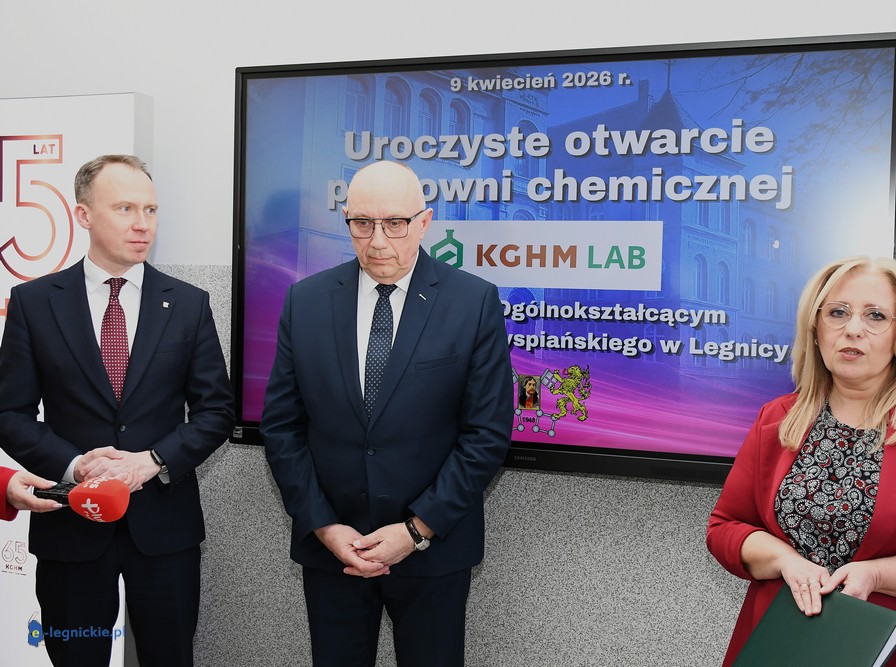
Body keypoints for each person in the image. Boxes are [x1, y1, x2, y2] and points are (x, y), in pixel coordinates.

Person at [262, 160, 512, 667]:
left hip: (433, 553)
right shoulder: (306, 301)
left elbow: (486, 435)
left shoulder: (472, 302)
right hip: (335, 551)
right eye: (362, 223)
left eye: (395, 223)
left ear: (424, 222)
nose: (377, 241)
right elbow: (282, 427)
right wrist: (324, 527)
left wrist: (415, 531)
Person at [707, 256, 896, 666]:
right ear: (815, 329)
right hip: (787, 646)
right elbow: (726, 527)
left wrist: (878, 575)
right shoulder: (778, 419)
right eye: (837, 313)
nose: (853, 329)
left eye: (875, 315)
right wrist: (785, 561)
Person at [0, 155, 235, 667]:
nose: (142, 223)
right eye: (125, 208)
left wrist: (151, 461)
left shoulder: (188, 303)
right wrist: (74, 466)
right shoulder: (34, 302)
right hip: (70, 527)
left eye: (150, 209)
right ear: (83, 215)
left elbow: (217, 410)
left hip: (165, 531)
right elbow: (10, 414)